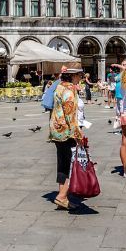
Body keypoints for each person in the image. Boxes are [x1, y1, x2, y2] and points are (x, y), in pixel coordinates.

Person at [48, 66, 84, 210]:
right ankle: (62, 196)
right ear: (73, 76)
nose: (80, 77)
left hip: (56, 130)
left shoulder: (60, 87)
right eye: (79, 75)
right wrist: (78, 134)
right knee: (70, 164)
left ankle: (63, 196)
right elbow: (69, 114)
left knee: (63, 163)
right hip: (66, 132)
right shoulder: (70, 90)